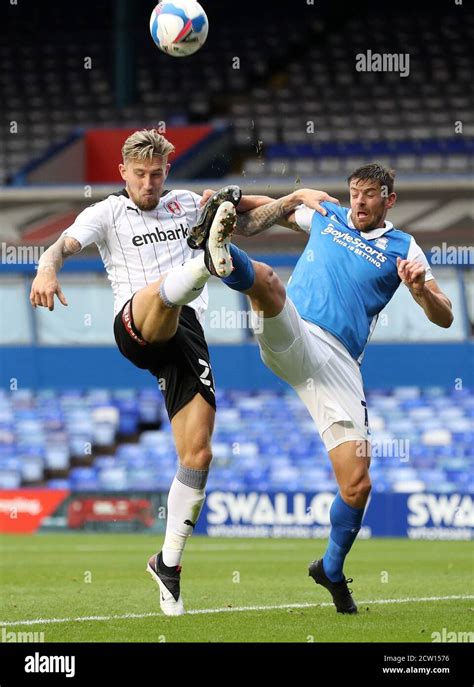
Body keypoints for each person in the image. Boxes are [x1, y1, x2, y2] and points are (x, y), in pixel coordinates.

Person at [29, 128, 335, 615]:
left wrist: (295, 197)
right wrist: (47, 269)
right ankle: (208, 264)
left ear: (166, 171)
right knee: (164, 293)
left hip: (185, 333)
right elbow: (61, 247)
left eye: (156, 174)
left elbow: (250, 218)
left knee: (198, 453)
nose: (148, 183)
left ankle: (167, 564)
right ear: (123, 173)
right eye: (140, 175)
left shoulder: (187, 202)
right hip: (137, 321)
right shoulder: (107, 212)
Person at [208, 163, 454, 613]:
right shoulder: (329, 215)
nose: (359, 201)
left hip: (338, 364)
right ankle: (220, 255)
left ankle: (331, 569)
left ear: (389, 200)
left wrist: (420, 291)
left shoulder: (406, 247)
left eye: (370, 194)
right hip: (296, 330)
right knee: (267, 281)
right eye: (354, 192)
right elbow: (262, 211)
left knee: (357, 485)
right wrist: (229, 199)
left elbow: (446, 315)